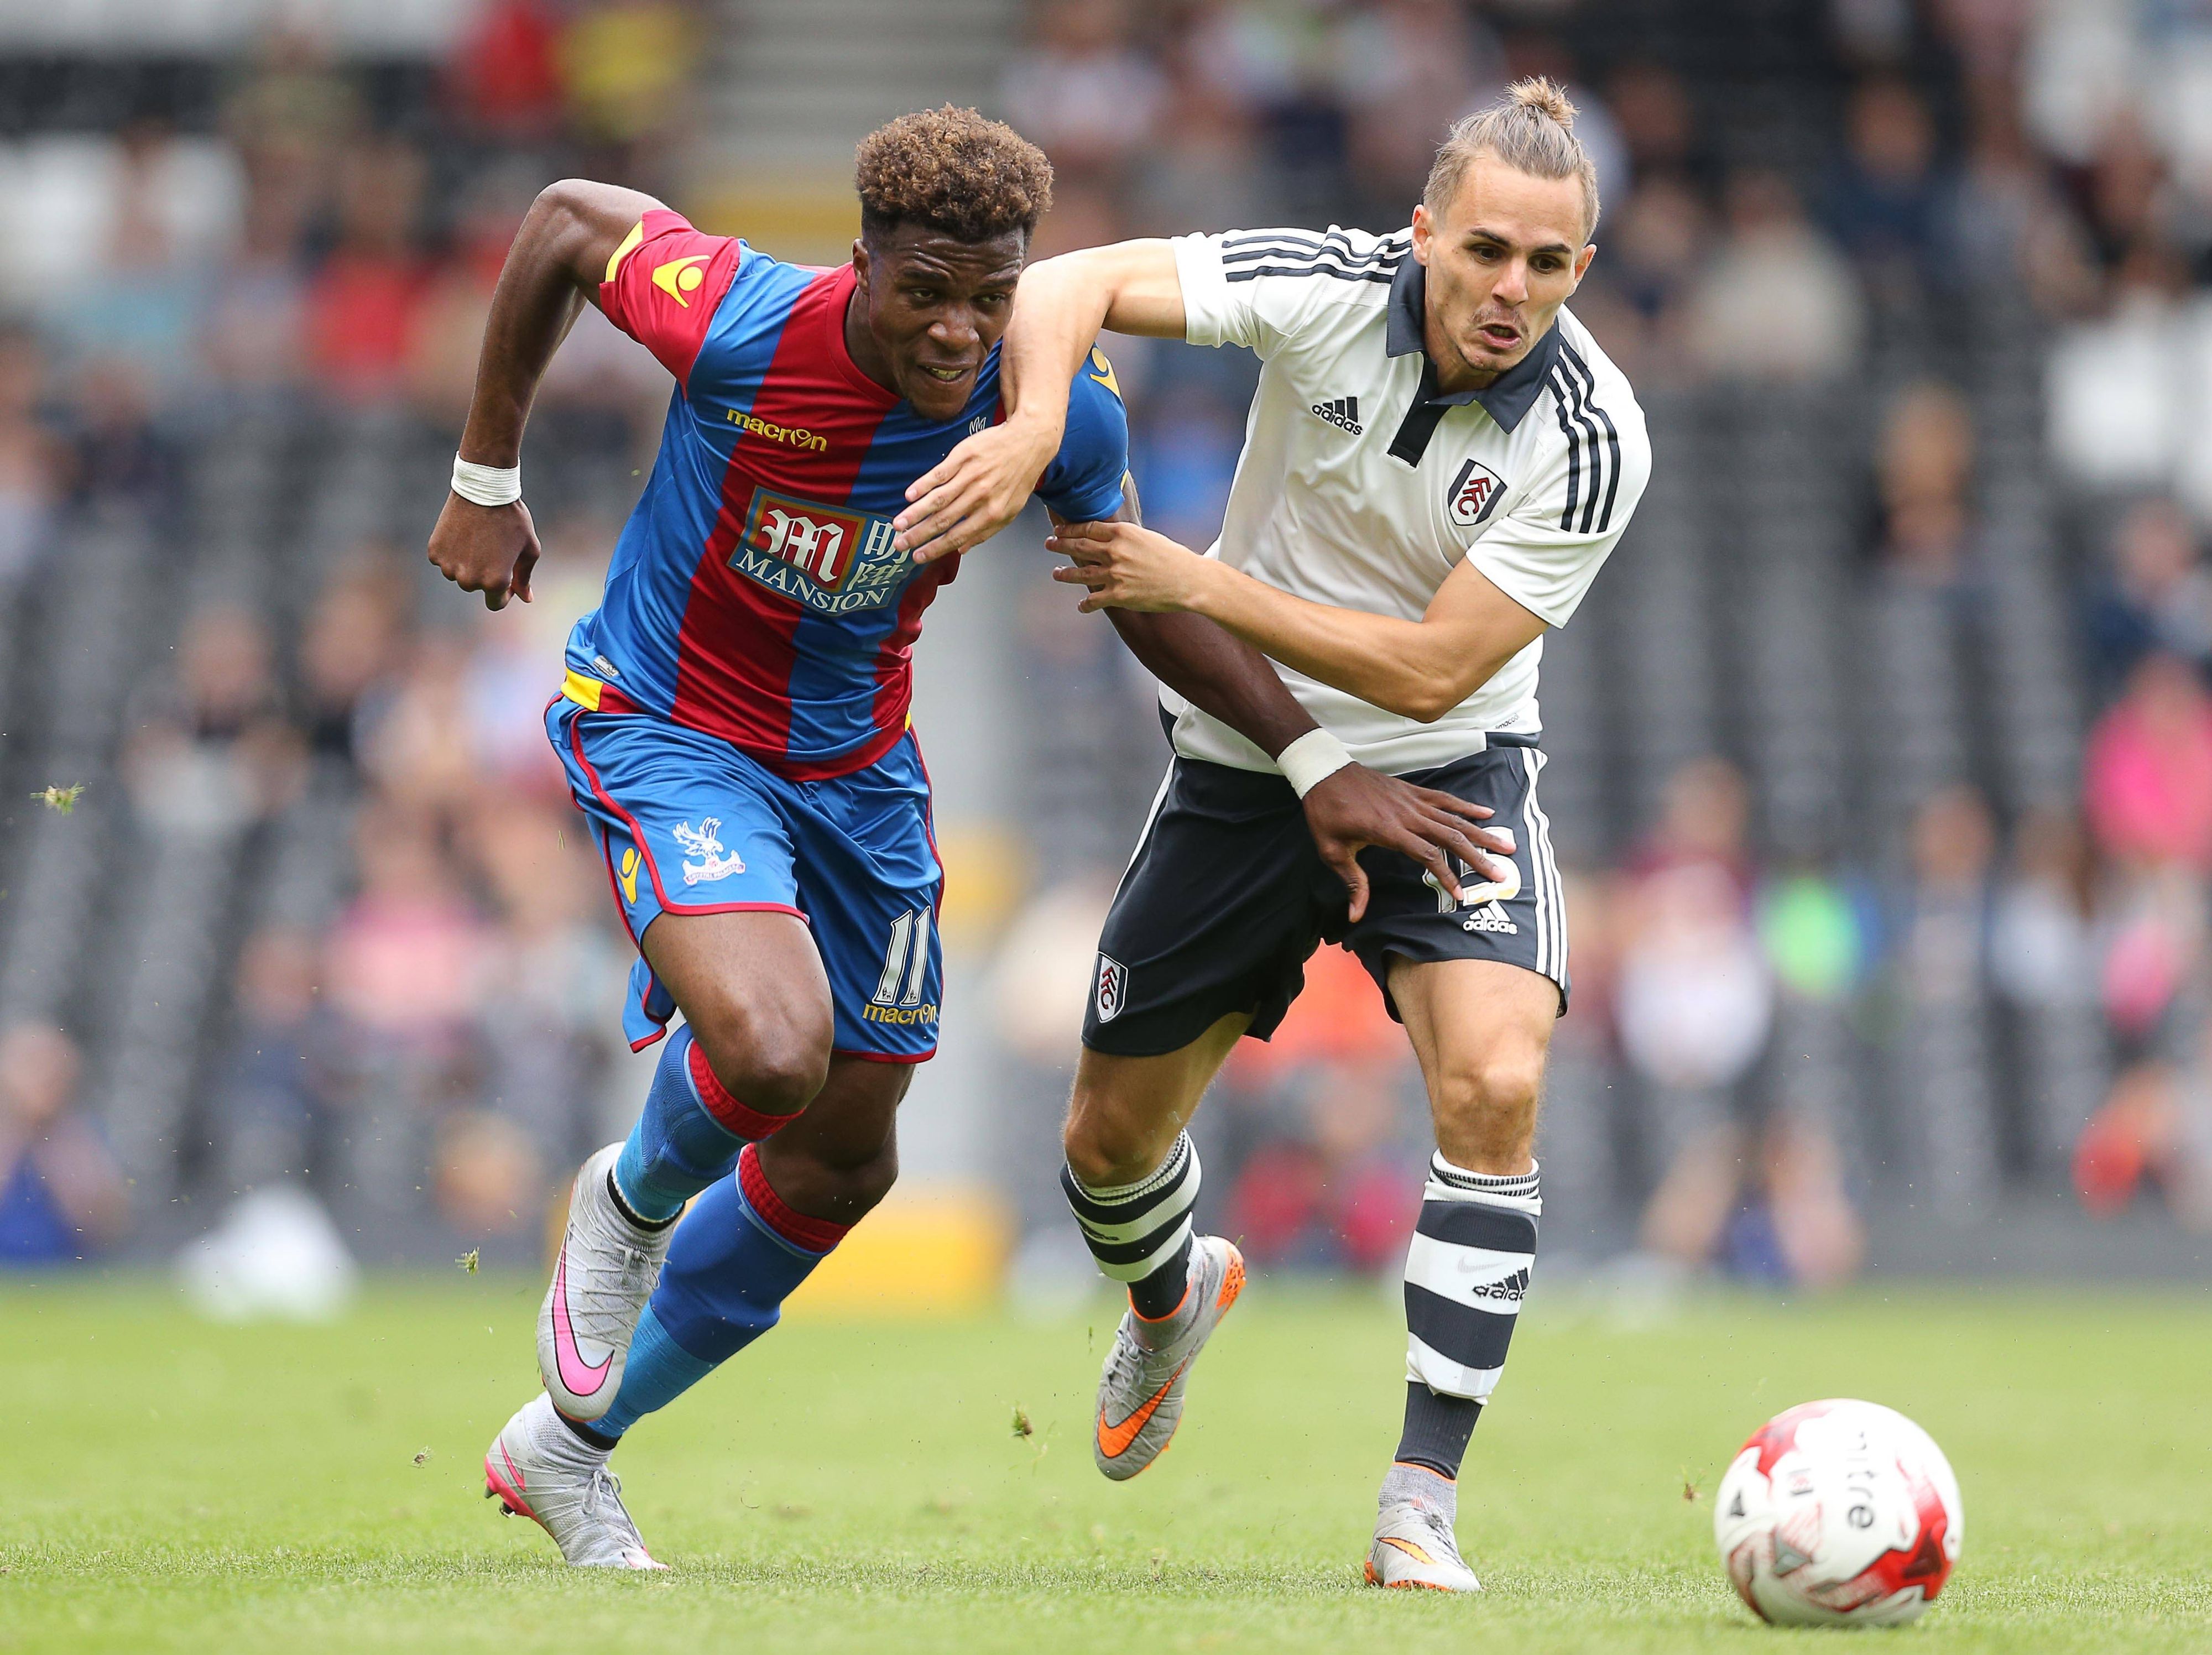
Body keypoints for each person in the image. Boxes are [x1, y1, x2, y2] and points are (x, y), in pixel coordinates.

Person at [427, 106, 1505, 1569]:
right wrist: (488, 476)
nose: (954, 329)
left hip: (861, 777)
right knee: (769, 1050)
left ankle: (566, 1447)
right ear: (862, 262)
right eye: (924, 289)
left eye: (989, 295)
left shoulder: (1054, 401)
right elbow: (561, 215)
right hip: (671, 727)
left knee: (843, 1161)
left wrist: (1312, 756)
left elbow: (1140, 591)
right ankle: (625, 1202)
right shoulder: (744, 321)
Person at [899, 78, 1650, 1591]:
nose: (1513, 290)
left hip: (1452, 768)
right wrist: (1041, 415)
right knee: (1104, 1146)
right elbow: (1067, 278)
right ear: (1423, 229)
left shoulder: (1596, 433)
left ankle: (1418, 1503)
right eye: (1487, 250)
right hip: (1246, 762)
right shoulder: (1328, 286)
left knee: (1498, 1079)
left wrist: (1197, 581)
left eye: (1550, 265)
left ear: (1583, 270)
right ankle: (1172, 1298)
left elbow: (1437, 667)